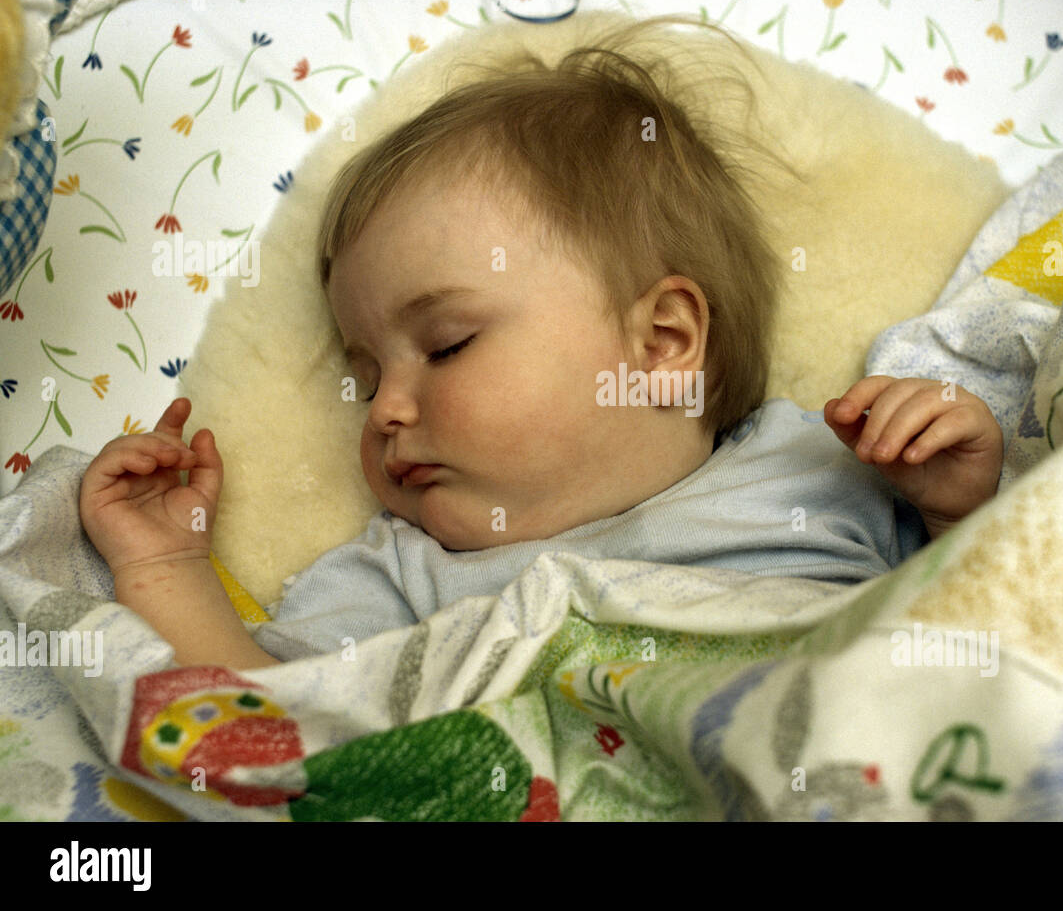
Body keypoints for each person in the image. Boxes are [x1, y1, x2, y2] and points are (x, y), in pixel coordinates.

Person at [79, 33, 1002, 669]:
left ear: (662, 341)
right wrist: (165, 569)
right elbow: (266, 728)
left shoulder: (827, 465)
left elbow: (992, 637)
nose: (389, 409)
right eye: (364, 382)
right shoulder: (400, 577)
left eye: (446, 346)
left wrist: (958, 501)